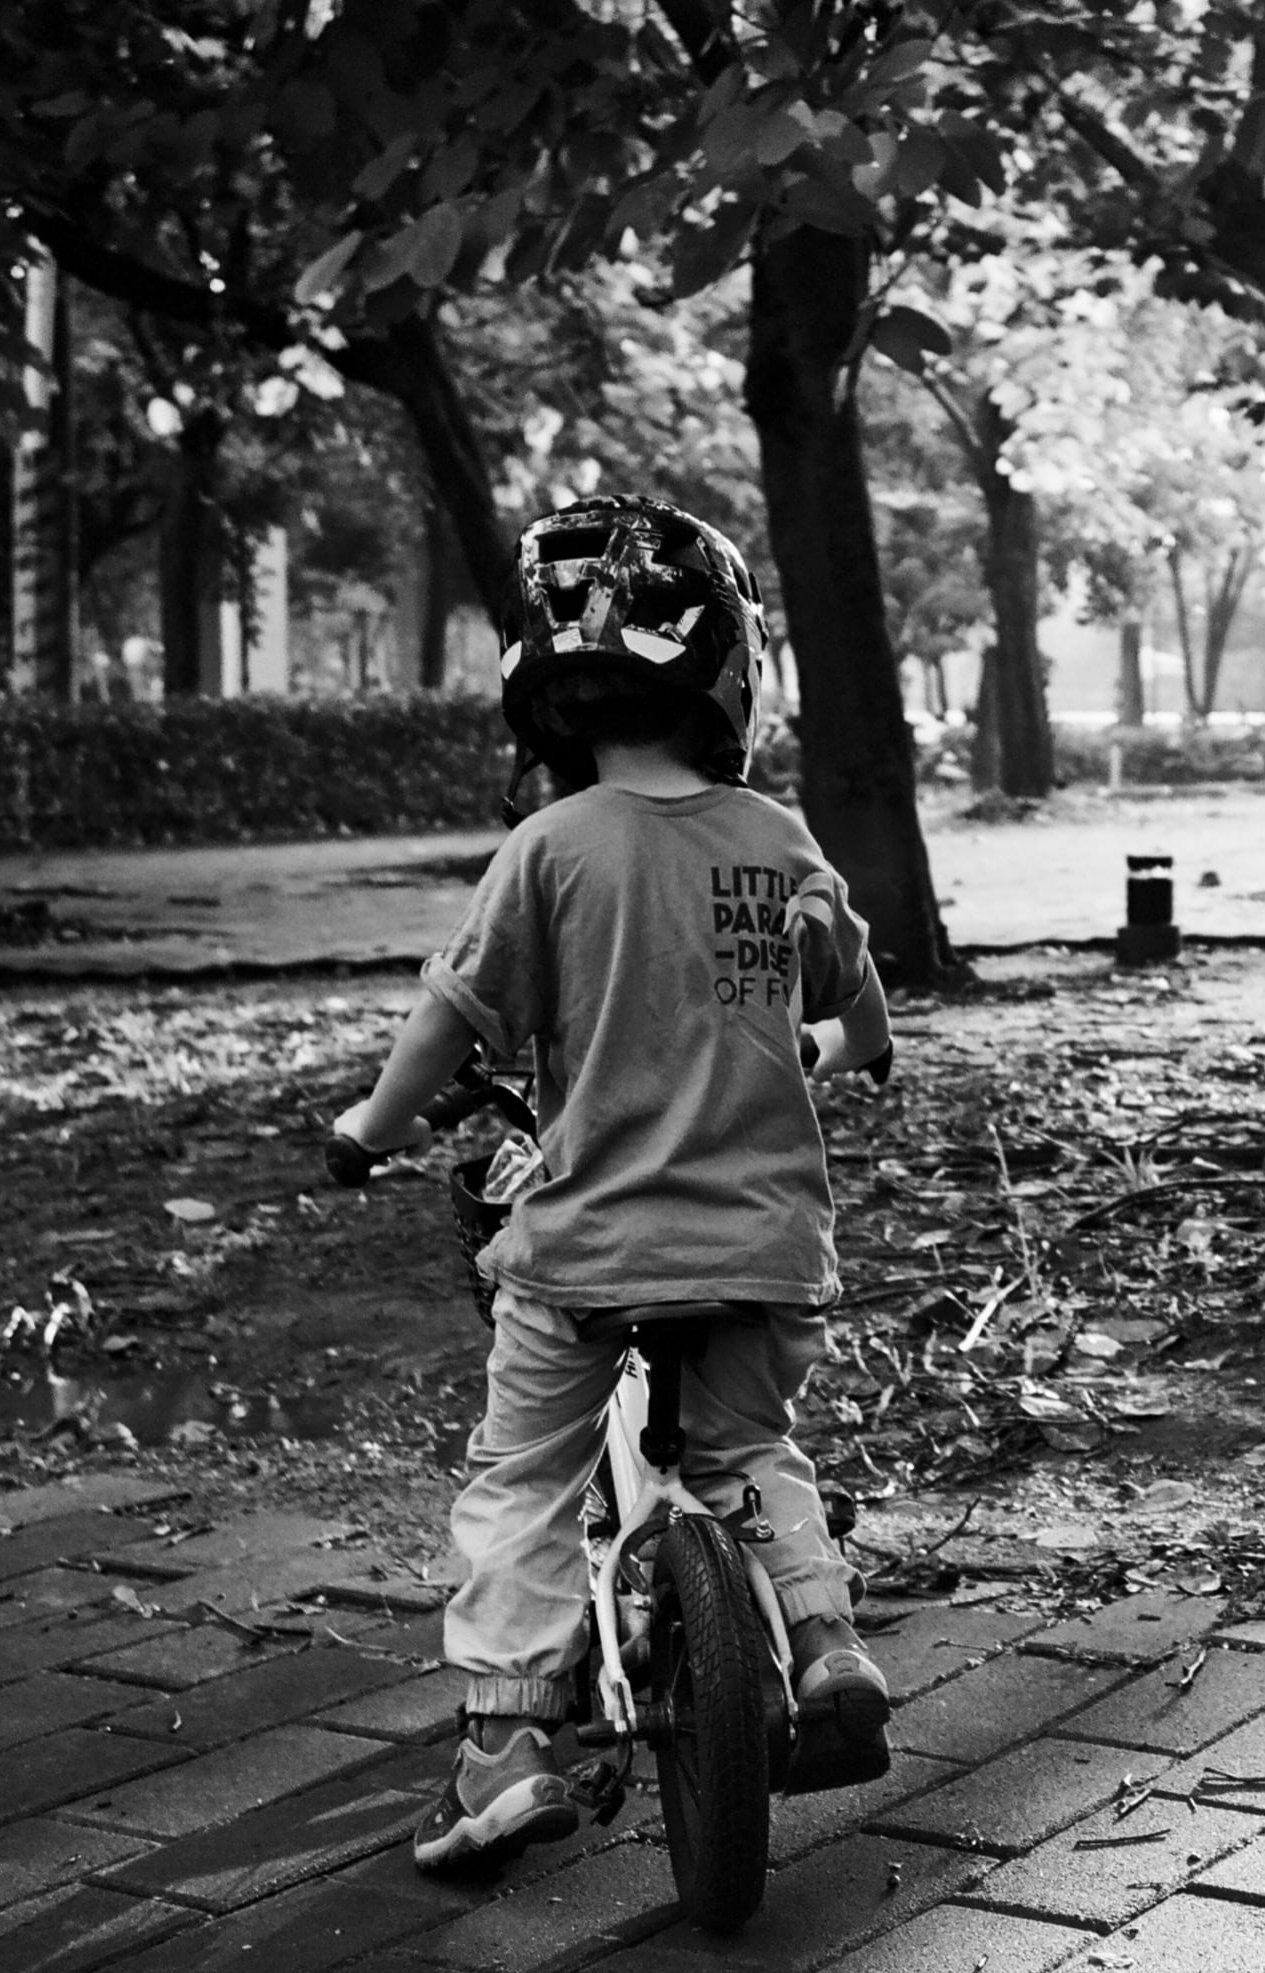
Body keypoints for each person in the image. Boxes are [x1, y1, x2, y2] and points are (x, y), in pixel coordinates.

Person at [332, 495, 896, 1877]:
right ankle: (825, 1639)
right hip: (766, 1245)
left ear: (542, 695)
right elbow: (862, 1018)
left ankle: (508, 1744)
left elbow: (454, 1017)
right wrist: (812, 1050)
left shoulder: (551, 846)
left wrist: (369, 1126)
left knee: (523, 1474)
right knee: (752, 1451)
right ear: (732, 677)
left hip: (590, 1246)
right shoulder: (779, 842)